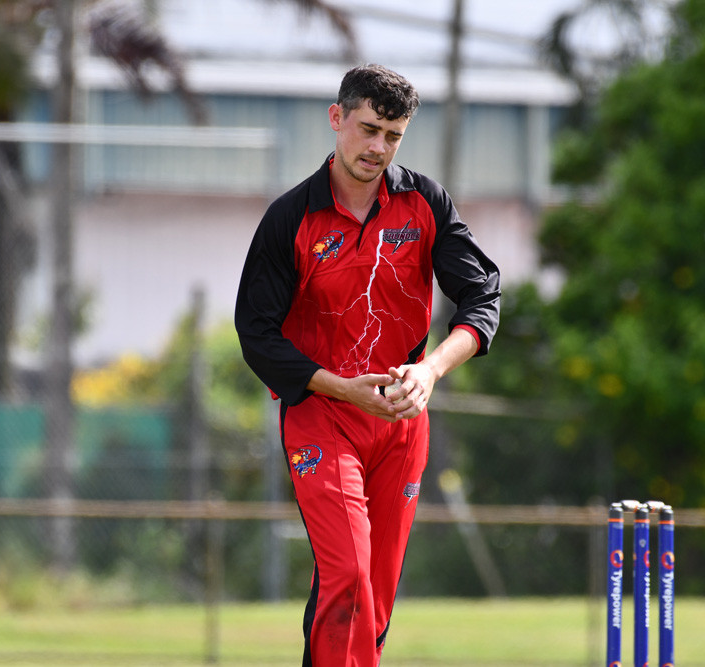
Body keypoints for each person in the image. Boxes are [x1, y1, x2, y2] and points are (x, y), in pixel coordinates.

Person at [235, 63, 500, 666]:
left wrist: (430, 371)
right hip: (321, 413)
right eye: (368, 129)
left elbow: (484, 297)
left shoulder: (426, 202)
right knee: (348, 574)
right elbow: (255, 333)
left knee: (373, 599)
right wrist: (343, 390)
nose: (378, 147)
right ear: (337, 120)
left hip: (403, 422)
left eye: (394, 135)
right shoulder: (289, 219)